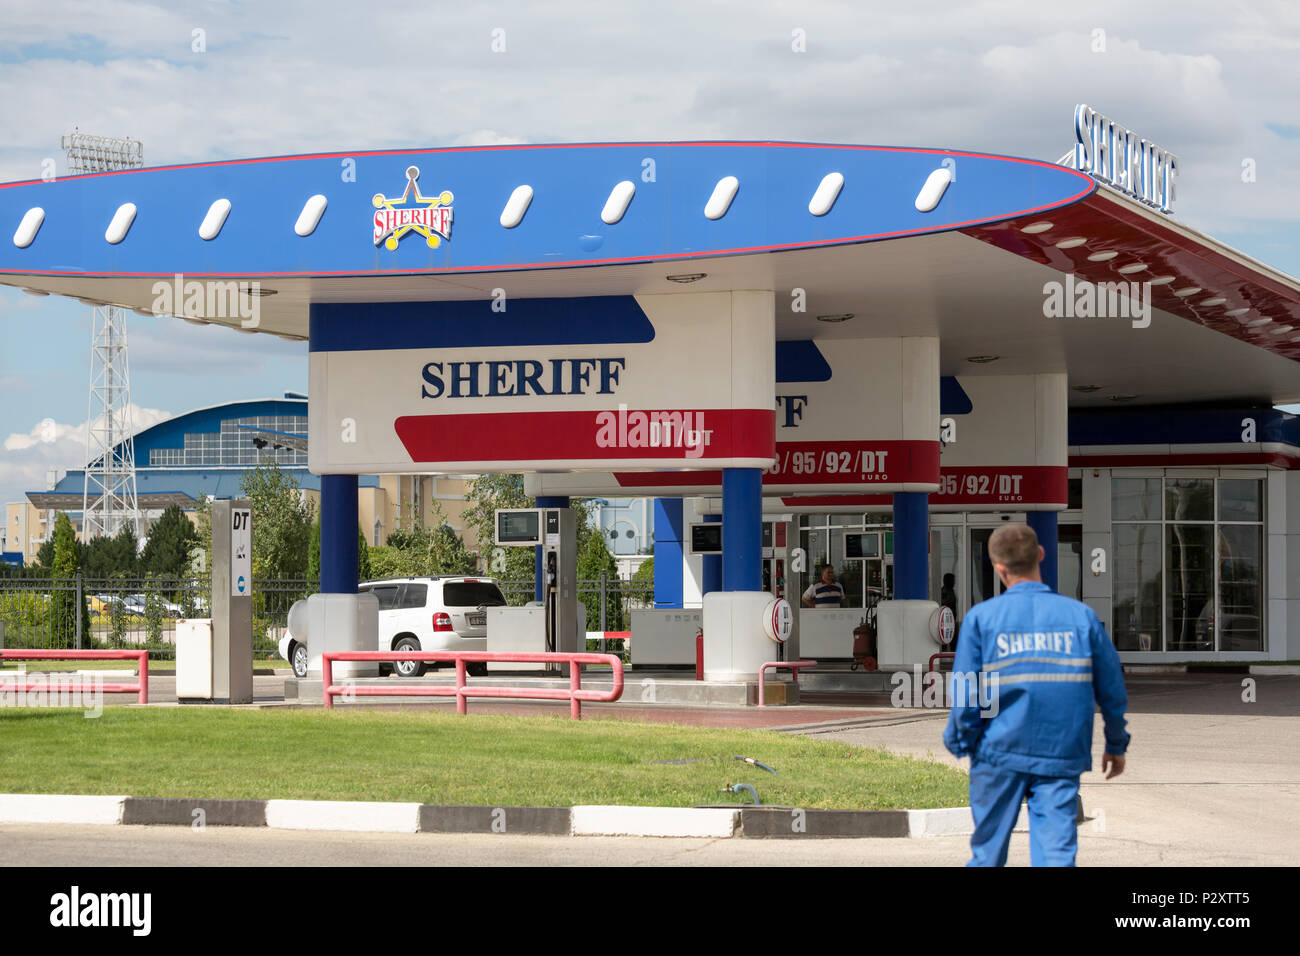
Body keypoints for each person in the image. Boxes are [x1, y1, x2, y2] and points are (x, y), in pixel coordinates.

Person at [942, 523, 1129, 867]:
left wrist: (961, 740)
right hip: (1061, 753)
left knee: (987, 854)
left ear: (998, 567)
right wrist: (1115, 744)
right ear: (1041, 555)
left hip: (997, 752)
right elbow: (1112, 689)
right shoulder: (1081, 617)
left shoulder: (981, 618)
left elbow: (967, 690)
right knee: (1056, 853)